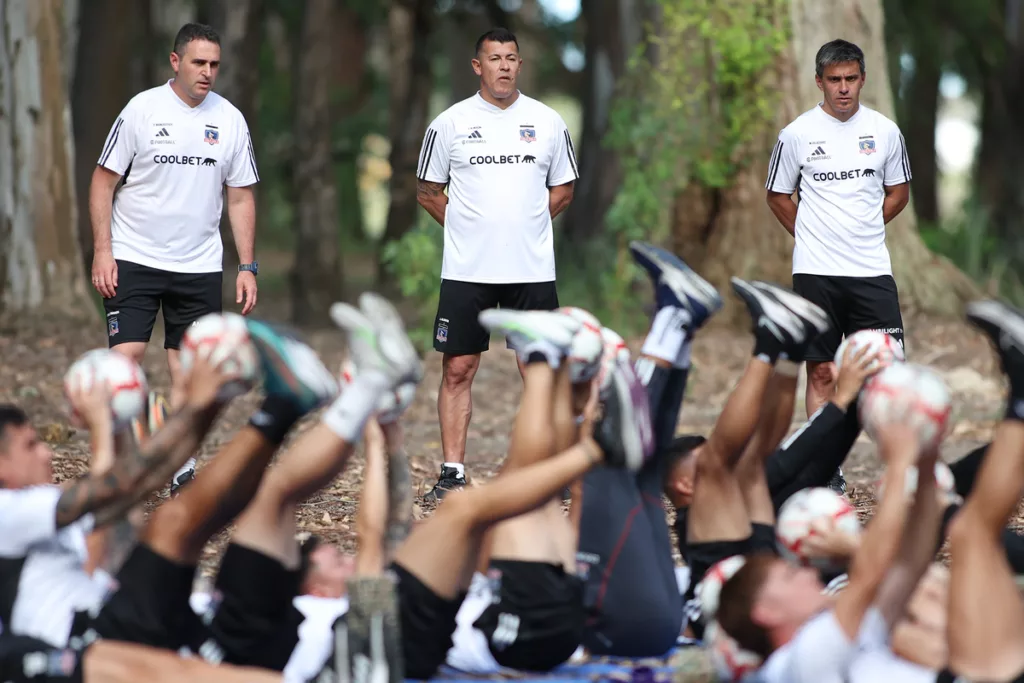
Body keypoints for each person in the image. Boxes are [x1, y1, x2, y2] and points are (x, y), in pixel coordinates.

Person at [89, 22, 261, 495]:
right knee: (124, 363)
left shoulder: (229, 120)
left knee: (190, 375)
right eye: (198, 63)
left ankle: (180, 468)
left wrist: (246, 266)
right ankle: (119, 462)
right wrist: (103, 251)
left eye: (214, 65)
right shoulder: (142, 110)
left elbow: (241, 197)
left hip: (199, 264)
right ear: (175, 61)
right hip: (134, 256)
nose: (207, 73)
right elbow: (104, 182)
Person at [416, 27, 580, 501]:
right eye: (495, 58)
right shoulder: (449, 123)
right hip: (468, 272)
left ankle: (549, 472)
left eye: (511, 58)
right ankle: (452, 475)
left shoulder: (547, 121)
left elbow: (563, 190)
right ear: (478, 66)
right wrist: (471, 229)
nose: (504, 66)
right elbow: (429, 192)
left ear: (520, 65)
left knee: (540, 370)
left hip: (531, 271)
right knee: (459, 368)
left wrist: (524, 225)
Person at [764, 38, 912, 494]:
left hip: (871, 270)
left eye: (851, 79)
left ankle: (902, 468)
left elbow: (898, 192)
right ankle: (826, 470)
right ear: (819, 82)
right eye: (834, 80)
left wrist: (865, 227)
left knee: (886, 371)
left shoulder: (886, 131)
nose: (843, 89)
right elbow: (778, 196)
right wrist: (811, 235)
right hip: (816, 271)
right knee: (823, 371)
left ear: (863, 79)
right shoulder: (796, 134)